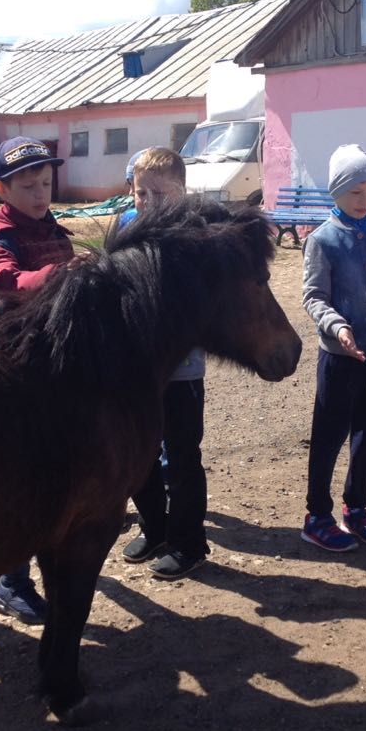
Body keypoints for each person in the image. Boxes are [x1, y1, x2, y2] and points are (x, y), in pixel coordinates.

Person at [0, 135, 71, 623]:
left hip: (53, 366)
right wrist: (59, 275)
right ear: (1, 190)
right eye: (27, 185)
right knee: (21, 478)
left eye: (45, 182)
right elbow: (2, 284)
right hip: (12, 371)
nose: (39, 193)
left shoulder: (52, 227)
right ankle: (12, 581)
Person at [117, 148, 211, 579]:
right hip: (135, 369)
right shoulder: (123, 226)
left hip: (181, 371)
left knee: (182, 455)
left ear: (182, 192)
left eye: (160, 193)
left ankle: (189, 542)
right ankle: (155, 527)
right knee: (140, 455)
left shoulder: (194, 236)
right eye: (141, 193)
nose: (148, 202)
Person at [299, 145, 366, 553]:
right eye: (356, 191)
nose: (364, 200)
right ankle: (317, 516)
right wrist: (337, 327)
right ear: (336, 191)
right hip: (339, 357)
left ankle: (356, 508)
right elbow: (314, 296)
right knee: (328, 438)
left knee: (365, 437)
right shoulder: (322, 241)